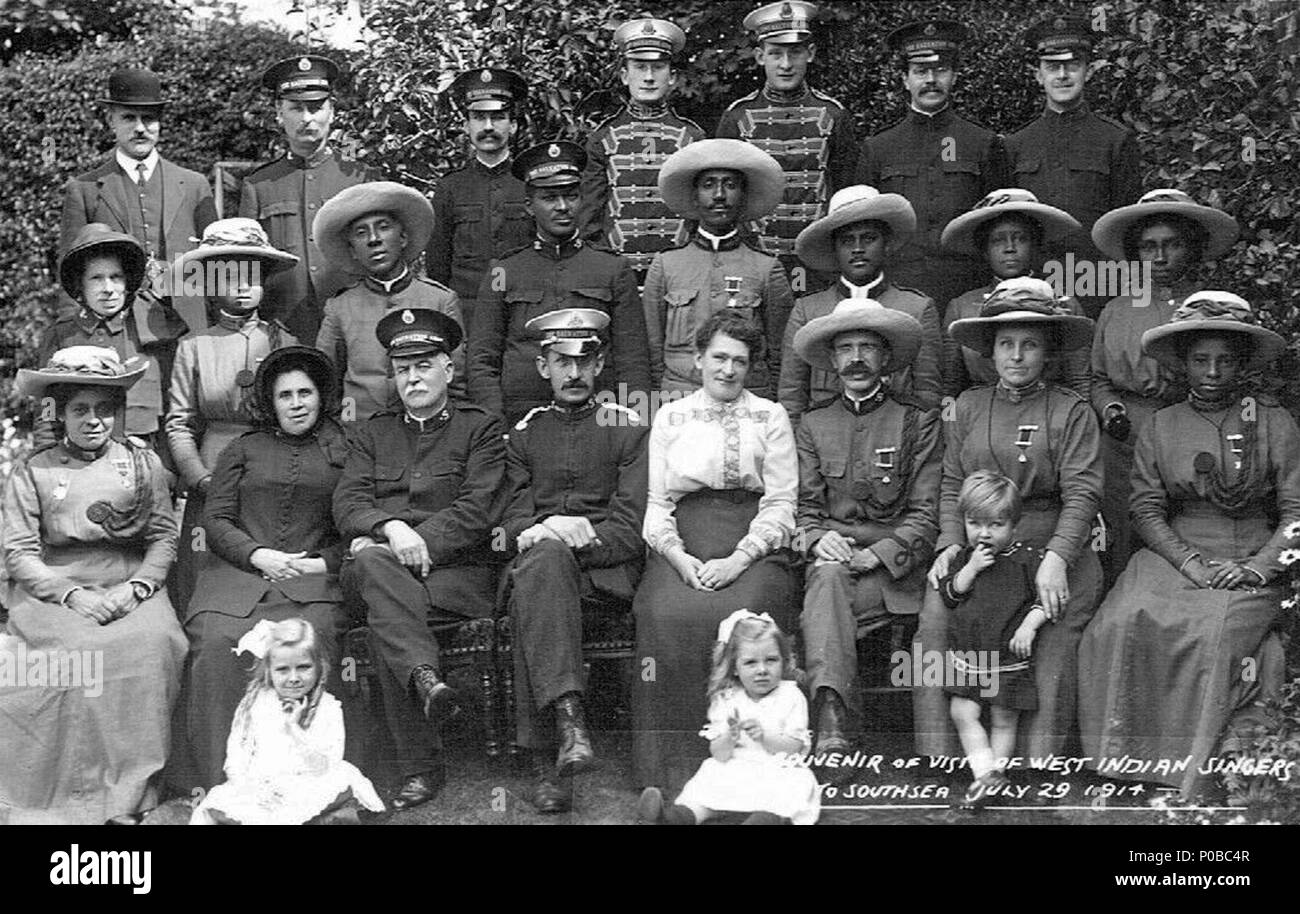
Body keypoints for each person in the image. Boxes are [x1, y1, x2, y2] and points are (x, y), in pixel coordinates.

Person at [1078, 292, 1298, 800]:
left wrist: (1262, 568)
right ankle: (1123, 759)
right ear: (1184, 364)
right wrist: (1190, 563)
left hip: (1250, 553)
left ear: (1242, 363)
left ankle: (1191, 772)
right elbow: (1146, 509)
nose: (1213, 371)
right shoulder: (1162, 423)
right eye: (1201, 360)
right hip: (1176, 552)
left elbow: (1296, 511)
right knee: (1118, 621)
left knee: (1214, 632)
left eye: (1225, 360)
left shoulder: (1276, 422)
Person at [913, 277, 1101, 759]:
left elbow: (1083, 492)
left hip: (1052, 538)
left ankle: (1039, 762)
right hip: (978, 541)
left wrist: (1058, 558)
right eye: (1005, 344)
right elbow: (953, 481)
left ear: (1048, 352)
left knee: (1051, 624)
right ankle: (945, 755)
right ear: (990, 352)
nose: (1016, 356)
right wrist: (950, 544)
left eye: (1030, 344)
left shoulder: (1072, 410)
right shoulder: (970, 406)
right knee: (937, 615)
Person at [0, 347, 185, 824]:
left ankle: (132, 797)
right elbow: (19, 552)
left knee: (152, 644)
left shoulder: (142, 466)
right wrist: (72, 596)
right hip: (56, 586)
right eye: (80, 410)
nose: (94, 420)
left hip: (129, 578)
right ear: (60, 414)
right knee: (75, 655)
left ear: (119, 413)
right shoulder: (33, 469)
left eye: (105, 410)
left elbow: (164, 537)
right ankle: (67, 803)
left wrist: (137, 589)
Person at [334, 308, 506, 811]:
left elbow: (477, 510)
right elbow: (347, 503)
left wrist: (414, 542)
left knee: (388, 606)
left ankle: (419, 766)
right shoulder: (371, 433)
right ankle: (426, 682)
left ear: (448, 371)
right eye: (403, 368)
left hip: (455, 577)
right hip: (380, 566)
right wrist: (391, 528)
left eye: (425, 365)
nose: (413, 377)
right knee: (377, 574)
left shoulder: (480, 428)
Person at [632, 310, 799, 795]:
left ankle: (755, 767)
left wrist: (740, 558)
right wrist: (678, 558)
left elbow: (782, 502)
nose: (728, 370)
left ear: (751, 368)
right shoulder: (670, 416)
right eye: (719, 358)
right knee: (663, 612)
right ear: (698, 359)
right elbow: (657, 504)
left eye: (740, 361)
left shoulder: (771, 416)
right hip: (684, 540)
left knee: (752, 612)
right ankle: (671, 773)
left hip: (754, 543)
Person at [500, 308, 648, 814]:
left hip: (605, 576)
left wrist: (567, 538)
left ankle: (548, 757)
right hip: (539, 568)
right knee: (540, 571)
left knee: (538, 580)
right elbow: (509, 525)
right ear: (543, 367)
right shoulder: (521, 435)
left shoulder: (627, 430)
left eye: (584, 361)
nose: (573, 373)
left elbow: (630, 532)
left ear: (600, 364)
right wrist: (543, 533)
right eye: (560, 361)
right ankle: (569, 724)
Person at [183, 346, 351, 789]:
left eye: (305, 393)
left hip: (311, 581)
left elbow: (355, 524)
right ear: (270, 403)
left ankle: (310, 777)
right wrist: (258, 555)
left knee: (315, 634)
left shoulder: (346, 449)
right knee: (216, 640)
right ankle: (222, 779)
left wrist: (319, 565)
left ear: (321, 396)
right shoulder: (242, 449)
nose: (296, 403)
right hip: (237, 578)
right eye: (285, 396)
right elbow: (215, 519)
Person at [791, 299, 939, 763]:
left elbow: (927, 512)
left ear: (887, 358)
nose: (856, 358)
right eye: (846, 349)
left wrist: (880, 554)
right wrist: (818, 539)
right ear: (832, 362)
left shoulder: (917, 420)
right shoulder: (813, 424)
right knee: (829, 574)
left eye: (868, 348)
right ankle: (833, 718)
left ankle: (832, 721)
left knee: (828, 588)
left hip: (892, 572)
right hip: (831, 567)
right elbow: (802, 510)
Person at [1088, 189, 1240, 582]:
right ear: (1135, 253)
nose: (1159, 257)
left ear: (1191, 249)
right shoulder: (1116, 310)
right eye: (1148, 246)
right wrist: (1111, 410)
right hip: (1125, 437)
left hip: (1188, 427)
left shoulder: (1210, 310)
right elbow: (1099, 379)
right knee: (1123, 527)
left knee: (1182, 523)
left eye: (1172, 245)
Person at [165, 219, 299, 613]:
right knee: (205, 567)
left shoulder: (283, 341)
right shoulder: (194, 346)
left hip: (270, 467)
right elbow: (179, 422)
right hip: (213, 468)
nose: (243, 285)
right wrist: (200, 476)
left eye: (252, 276)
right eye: (230, 275)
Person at [468, 140, 650, 425]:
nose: (563, 206)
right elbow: (482, 359)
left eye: (570, 196)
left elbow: (634, 361)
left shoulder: (613, 268)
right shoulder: (503, 272)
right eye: (550, 198)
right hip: (521, 418)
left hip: (600, 417)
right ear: (529, 205)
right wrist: (494, 424)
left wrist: (634, 426)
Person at [855, 20, 1007, 308]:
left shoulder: (984, 144)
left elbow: (998, 224)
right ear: (904, 79)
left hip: (968, 290)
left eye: (940, 70)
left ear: (955, 76)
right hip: (899, 291)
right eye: (921, 71)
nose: (931, 80)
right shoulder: (878, 149)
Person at [1004, 15, 1141, 319]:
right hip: (1031, 288)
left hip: (1097, 284)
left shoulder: (1115, 140)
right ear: (1038, 75)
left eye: (1073, 66)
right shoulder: (1016, 145)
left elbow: (1126, 230)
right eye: (1053, 67)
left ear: (1088, 72)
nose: (1063, 75)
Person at [59, 66, 215, 332]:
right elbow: (69, 270)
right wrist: (72, 333)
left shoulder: (194, 184)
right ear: (112, 121)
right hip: (114, 330)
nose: (140, 128)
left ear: (160, 122)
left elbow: (214, 264)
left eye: (149, 118)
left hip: (187, 326)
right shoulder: (83, 189)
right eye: (129, 117)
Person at [240, 55, 378, 345]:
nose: (306, 119)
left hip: (356, 329)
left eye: (316, 108)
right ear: (279, 112)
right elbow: (245, 269)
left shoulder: (361, 178)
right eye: (296, 108)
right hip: (286, 331)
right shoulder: (259, 185)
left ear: (332, 111)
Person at [190, 618, 384, 824]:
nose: (294, 678)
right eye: (283, 669)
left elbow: (325, 766)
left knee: (333, 795)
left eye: (304, 667)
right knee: (218, 808)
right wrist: (251, 789)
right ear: (269, 671)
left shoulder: (327, 707)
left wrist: (294, 728)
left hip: (311, 784)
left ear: (319, 667)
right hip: (261, 785)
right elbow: (236, 755)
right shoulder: (254, 704)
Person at [636, 610, 820, 825]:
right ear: (734, 668)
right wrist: (729, 738)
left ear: (784, 661)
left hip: (777, 768)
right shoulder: (727, 698)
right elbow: (719, 754)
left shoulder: (791, 696)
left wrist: (765, 736)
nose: (762, 670)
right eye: (750, 663)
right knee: (708, 781)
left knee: (793, 787)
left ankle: (767, 819)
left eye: (771, 660)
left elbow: (794, 748)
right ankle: (675, 817)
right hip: (736, 766)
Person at [716, 1, 855, 281]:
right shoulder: (737, 117)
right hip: (753, 261)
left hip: (819, 261)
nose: (786, 64)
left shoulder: (833, 115)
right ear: (759, 56)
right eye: (775, 53)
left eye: (795, 53)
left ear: (810, 53)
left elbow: (846, 192)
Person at [779, 185, 940, 424]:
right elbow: (792, 395)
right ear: (834, 250)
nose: (857, 249)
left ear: (886, 245)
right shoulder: (808, 310)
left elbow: (928, 394)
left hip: (894, 434)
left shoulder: (916, 308)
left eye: (869, 238)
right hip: (826, 439)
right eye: (847, 241)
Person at [643, 138, 792, 397]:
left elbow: (780, 353)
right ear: (694, 195)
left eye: (730, 185)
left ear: (743, 196)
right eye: (708, 185)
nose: (720, 195)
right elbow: (652, 349)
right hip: (681, 398)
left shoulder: (767, 268)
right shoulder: (666, 265)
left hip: (748, 399)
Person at [936, 471, 1048, 809]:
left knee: (1004, 718)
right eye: (975, 523)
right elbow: (950, 595)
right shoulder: (961, 558)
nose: (984, 533)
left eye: (996, 525)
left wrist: (1029, 626)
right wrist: (970, 568)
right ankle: (985, 772)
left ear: (1014, 525)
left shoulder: (1027, 558)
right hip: (968, 658)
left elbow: (1044, 601)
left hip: (1007, 658)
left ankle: (993, 777)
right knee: (962, 711)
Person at [314, 181, 466, 419]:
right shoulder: (339, 307)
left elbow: (456, 381)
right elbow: (325, 381)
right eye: (361, 233)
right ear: (353, 250)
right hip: (358, 433)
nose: (374, 239)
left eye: (383, 227)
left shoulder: (440, 300)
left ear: (403, 237)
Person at [37, 223, 188, 452]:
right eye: (96, 278)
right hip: (79, 463)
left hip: (147, 456)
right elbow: (47, 403)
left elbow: (176, 404)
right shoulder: (62, 335)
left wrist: (168, 468)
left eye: (115, 277)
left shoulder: (155, 327)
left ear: (127, 283)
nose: (108, 288)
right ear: (80, 285)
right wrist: (46, 453)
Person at [577, 17, 705, 282]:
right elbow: (590, 215)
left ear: (671, 77)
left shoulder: (692, 137)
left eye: (657, 68)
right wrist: (604, 266)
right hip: (619, 272)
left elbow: (699, 214)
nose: (648, 77)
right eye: (640, 67)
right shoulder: (603, 136)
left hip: (679, 273)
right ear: (625, 75)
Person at [938, 188, 1088, 399]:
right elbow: (950, 386)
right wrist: (949, 425)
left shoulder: (1064, 304)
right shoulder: (962, 307)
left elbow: (1080, 381)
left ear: (1035, 245)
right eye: (998, 240)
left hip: (1049, 415)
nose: (1010, 248)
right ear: (985, 250)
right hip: (980, 417)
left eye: (1020, 238)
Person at [425, 68, 533, 322]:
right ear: (466, 126)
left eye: (498, 118)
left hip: (523, 310)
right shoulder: (449, 188)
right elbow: (438, 265)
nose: (487, 127)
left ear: (513, 125)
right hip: (467, 314)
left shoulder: (531, 183)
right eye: (478, 118)